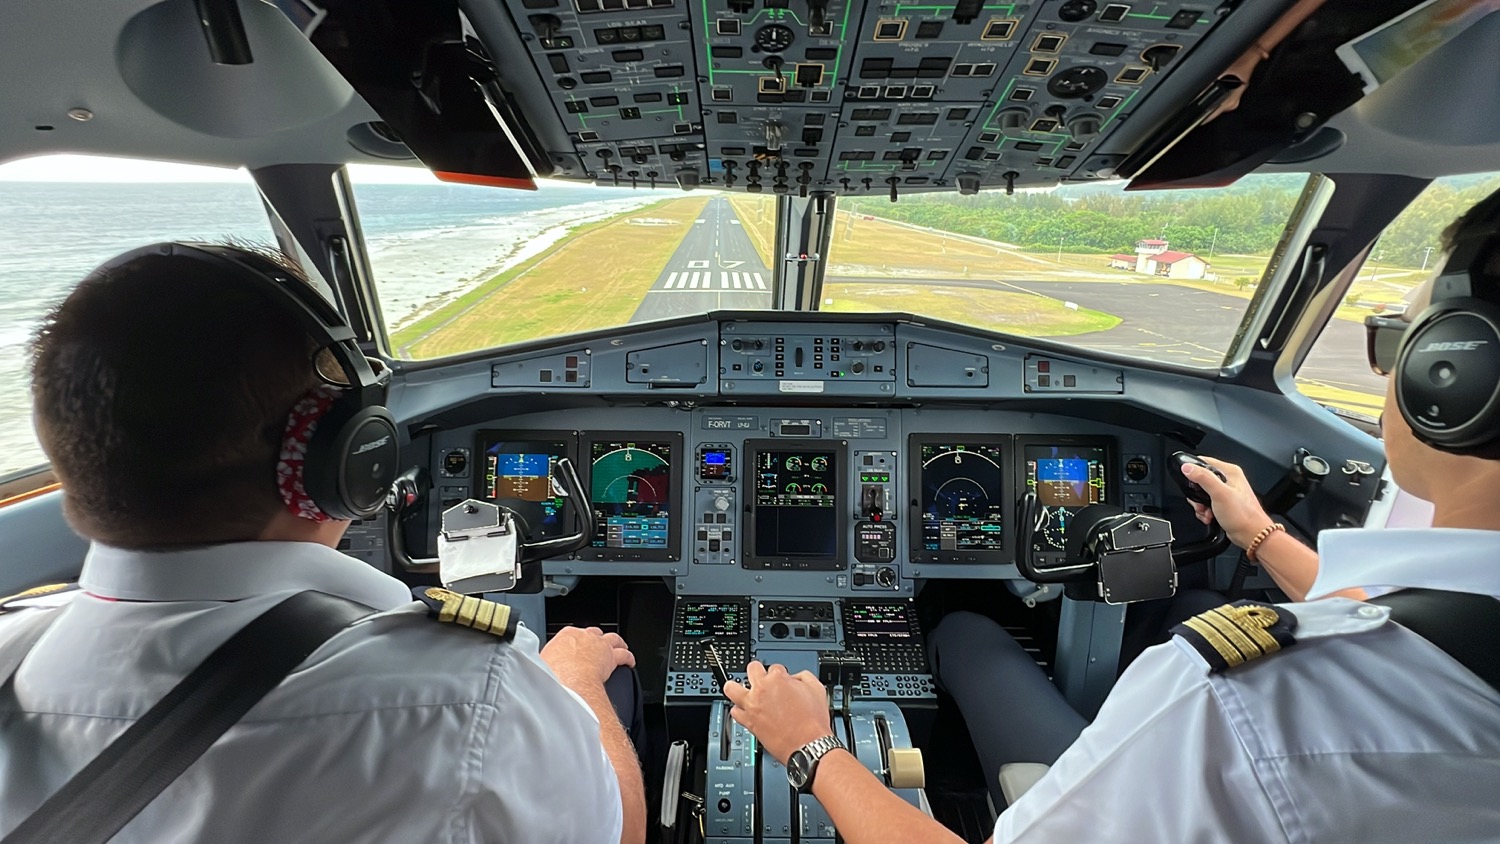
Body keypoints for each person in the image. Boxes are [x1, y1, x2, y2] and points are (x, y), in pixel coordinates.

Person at [725, 192, 1500, 842]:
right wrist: (1257, 535)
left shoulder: (1233, 698)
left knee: (963, 631)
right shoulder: (1419, 652)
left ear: (1458, 378)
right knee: (1187, 601)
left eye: (1393, 338)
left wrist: (809, 743)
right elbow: (1384, 623)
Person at [0, 244, 645, 843]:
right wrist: (575, 683)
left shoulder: (11, 649)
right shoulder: (473, 692)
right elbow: (621, 832)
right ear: (346, 457)